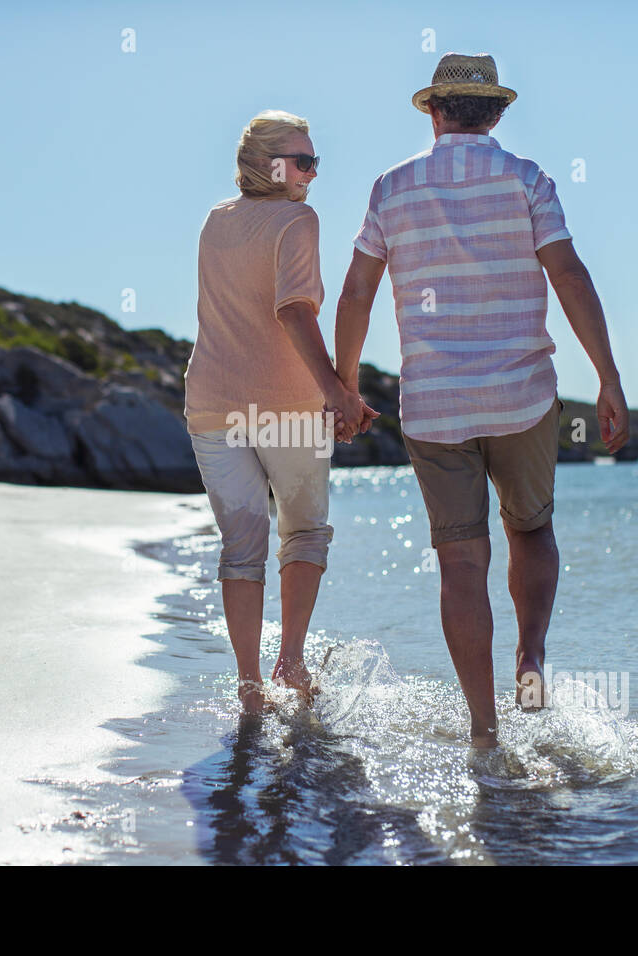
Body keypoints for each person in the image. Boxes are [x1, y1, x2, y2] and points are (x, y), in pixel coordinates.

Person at [334, 53, 630, 748]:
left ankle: (483, 730)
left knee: (461, 561)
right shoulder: (528, 179)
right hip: (521, 396)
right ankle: (530, 656)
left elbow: (356, 294)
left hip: (435, 405)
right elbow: (569, 274)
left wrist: (345, 387)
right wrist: (608, 377)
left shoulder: (392, 187)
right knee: (530, 530)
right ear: (496, 113)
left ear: (435, 113)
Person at [184, 110, 369, 715]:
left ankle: (249, 685)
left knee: (241, 545)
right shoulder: (298, 218)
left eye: (315, 162)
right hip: (288, 406)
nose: (313, 174)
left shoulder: (215, 221)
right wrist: (339, 392)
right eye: (304, 161)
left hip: (212, 403)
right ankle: (289, 661)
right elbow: (294, 310)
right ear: (271, 165)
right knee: (305, 532)